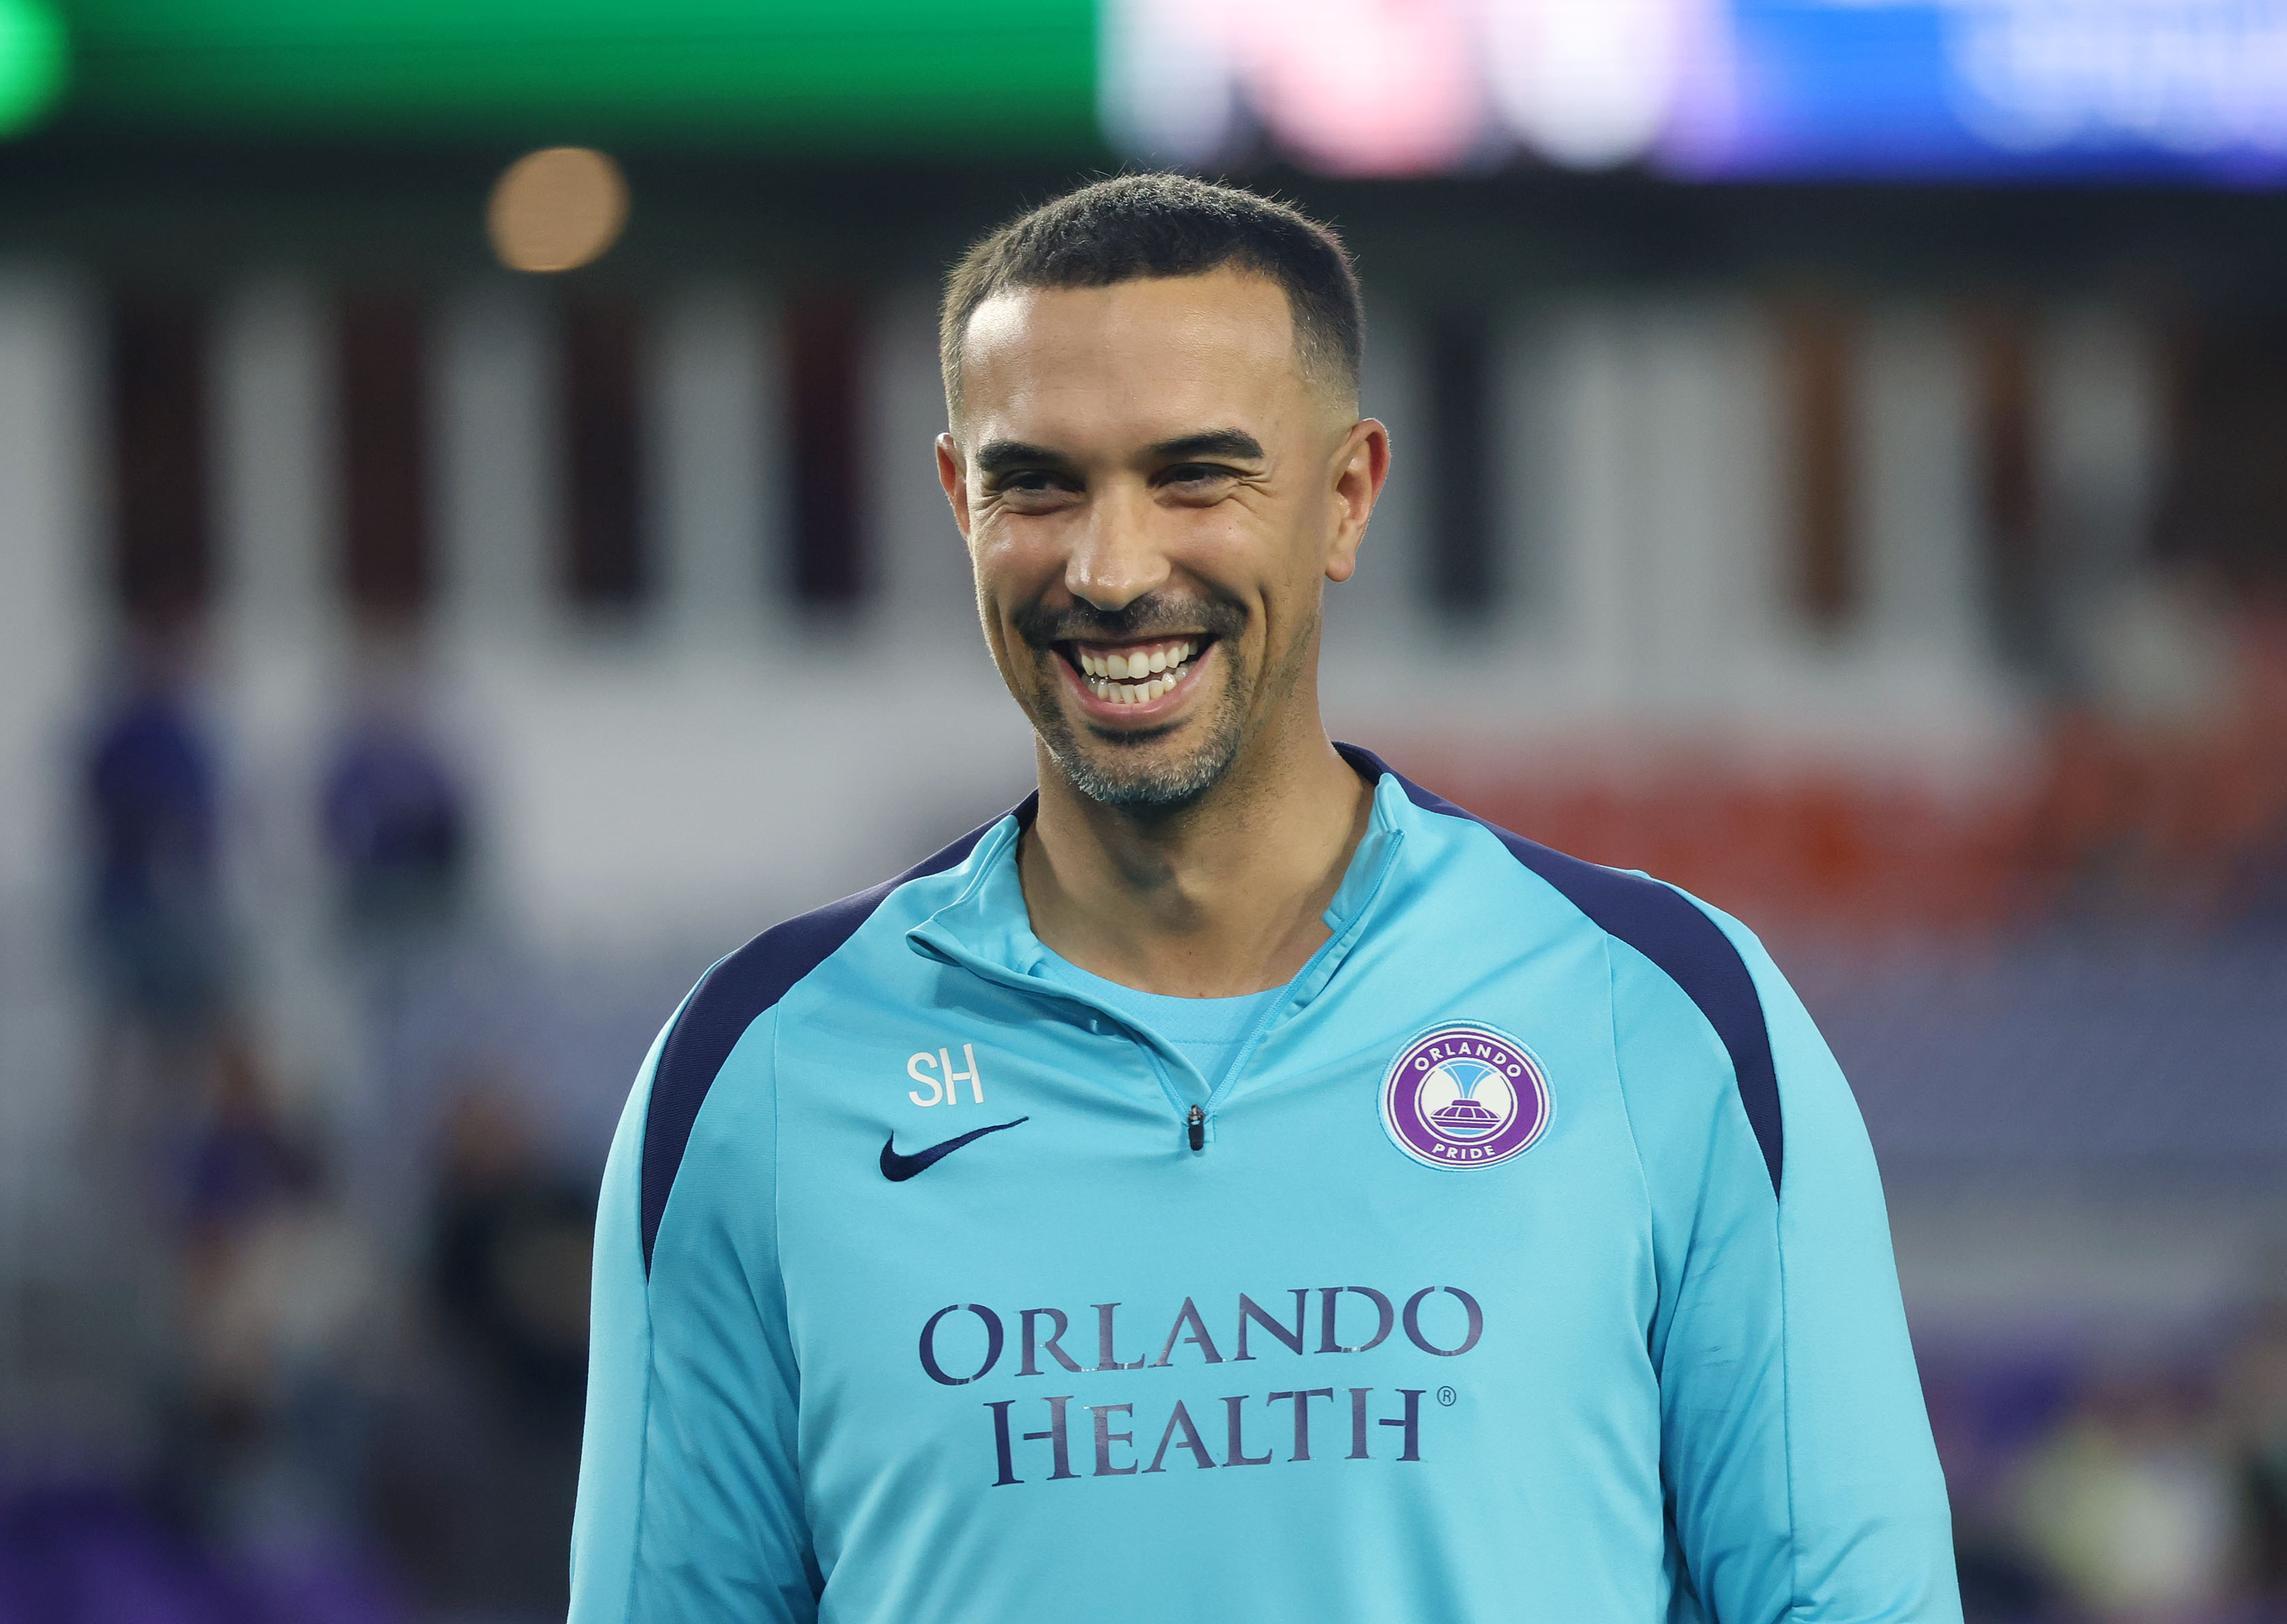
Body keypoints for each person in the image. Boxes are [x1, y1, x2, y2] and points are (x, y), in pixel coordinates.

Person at [570, 174, 1958, 1622]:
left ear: (1344, 497)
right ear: (956, 500)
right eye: (1036, 482)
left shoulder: (1661, 1013)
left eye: (1195, 476)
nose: (1111, 568)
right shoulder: (758, 1073)